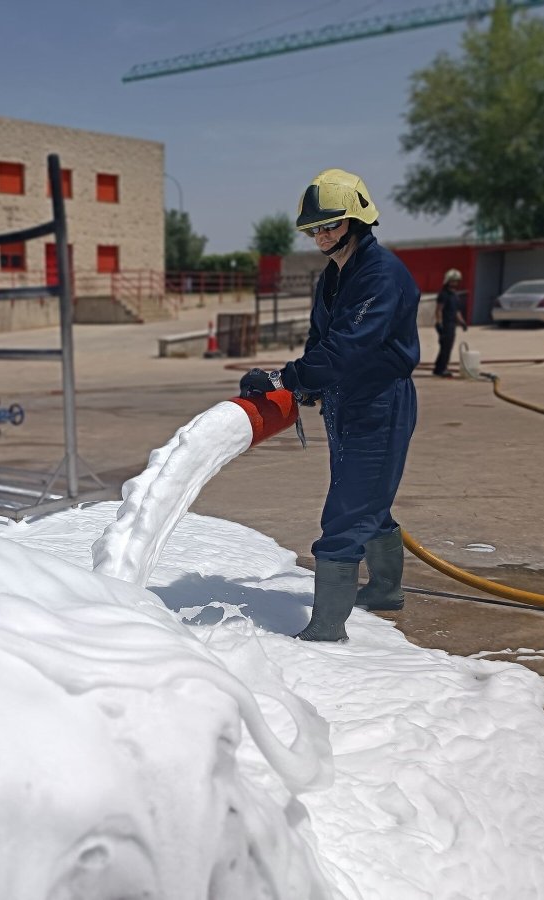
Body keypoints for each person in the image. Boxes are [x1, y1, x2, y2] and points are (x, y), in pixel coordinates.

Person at [238, 169, 420, 642]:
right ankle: (384, 591)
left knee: (344, 514)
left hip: (378, 403)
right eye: (315, 229)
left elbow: (348, 347)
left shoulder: (380, 275)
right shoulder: (336, 275)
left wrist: (289, 377)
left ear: (358, 221)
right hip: (346, 401)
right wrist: (302, 386)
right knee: (368, 503)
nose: (322, 236)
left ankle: (325, 630)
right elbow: (322, 340)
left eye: (331, 226)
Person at [432, 268, 468, 377]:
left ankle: (439, 367)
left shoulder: (454, 295)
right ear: (447, 281)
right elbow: (438, 310)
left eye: (456, 281)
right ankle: (441, 369)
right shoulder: (443, 294)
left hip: (452, 325)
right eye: (453, 281)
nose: (455, 283)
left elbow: (457, 311)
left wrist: (462, 322)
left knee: (448, 347)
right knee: (445, 347)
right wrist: (439, 324)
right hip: (445, 325)